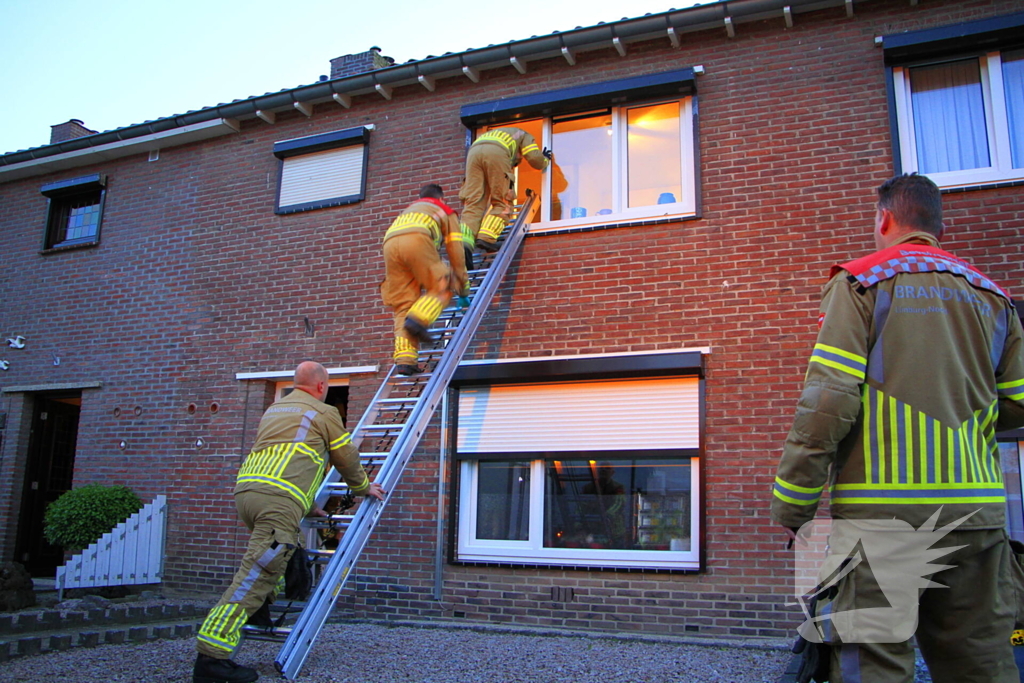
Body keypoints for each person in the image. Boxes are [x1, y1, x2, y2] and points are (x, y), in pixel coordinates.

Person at [771, 174, 1024, 683]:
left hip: (880, 524)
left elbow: (827, 403)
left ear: (885, 219)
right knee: (982, 663)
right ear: (938, 226)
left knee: (873, 664)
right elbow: (1017, 406)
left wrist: (793, 503)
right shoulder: (992, 297)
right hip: (978, 518)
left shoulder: (863, 281)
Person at [193, 361, 386, 683]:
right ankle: (212, 658)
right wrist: (363, 486)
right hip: (277, 502)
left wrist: (307, 504)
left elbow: (287, 457)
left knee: (275, 557)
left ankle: (260, 608)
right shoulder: (323, 413)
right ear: (322, 387)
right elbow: (345, 455)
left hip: (249, 494)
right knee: (255, 574)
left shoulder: (274, 410)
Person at [381, 183, 468, 376]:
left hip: (389, 244)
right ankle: (418, 320)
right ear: (441, 198)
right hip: (417, 239)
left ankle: (405, 360)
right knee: (442, 287)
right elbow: (455, 250)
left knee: (404, 304)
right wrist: (461, 286)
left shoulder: (409, 211)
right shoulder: (444, 210)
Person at [458, 126, 551, 253]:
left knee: (473, 202)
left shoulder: (497, 134)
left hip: (473, 152)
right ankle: (487, 237)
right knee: (503, 201)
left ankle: (464, 243)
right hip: (497, 153)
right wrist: (545, 160)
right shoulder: (523, 134)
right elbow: (534, 158)